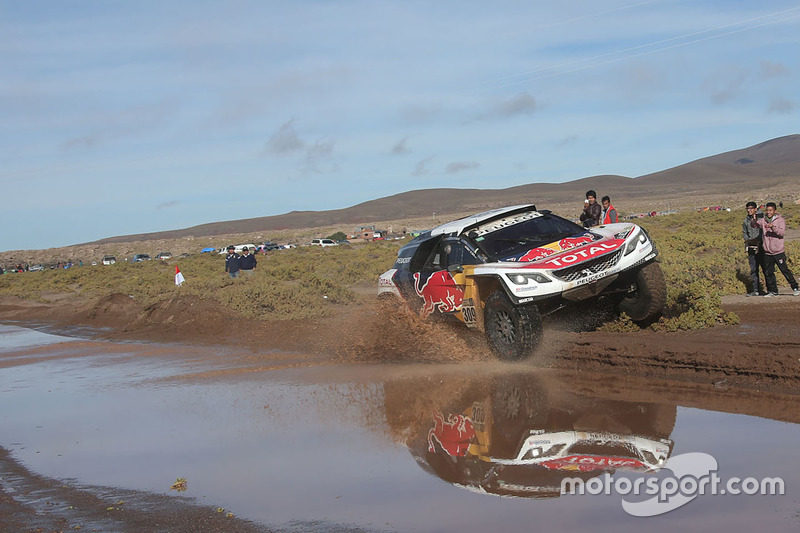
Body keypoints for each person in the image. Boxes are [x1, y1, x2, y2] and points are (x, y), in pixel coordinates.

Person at [752, 202, 799, 297]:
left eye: (770, 210)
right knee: (769, 272)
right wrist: (753, 220)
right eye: (767, 210)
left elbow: (781, 233)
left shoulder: (780, 220)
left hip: (778, 251)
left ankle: (795, 288)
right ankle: (773, 291)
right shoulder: (763, 220)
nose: (768, 212)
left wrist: (773, 227)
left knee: (784, 270)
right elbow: (755, 225)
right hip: (768, 251)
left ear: (774, 211)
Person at [742, 201, 765, 296]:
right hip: (751, 247)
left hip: (762, 246)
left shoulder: (762, 218)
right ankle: (756, 290)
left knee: (765, 268)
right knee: (754, 268)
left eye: (751, 208)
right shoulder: (746, 220)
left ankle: (771, 290)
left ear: (755, 209)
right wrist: (748, 240)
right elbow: (744, 232)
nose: (749, 210)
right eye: (748, 208)